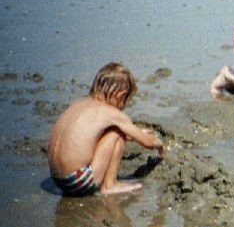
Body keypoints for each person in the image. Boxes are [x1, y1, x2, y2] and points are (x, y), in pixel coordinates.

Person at [48, 62, 165, 196]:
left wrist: (135, 133)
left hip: (57, 179)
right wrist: (159, 143)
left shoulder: (79, 104)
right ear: (121, 96)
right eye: (127, 101)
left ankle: (104, 182)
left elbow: (88, 137)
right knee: (117, 132)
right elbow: (148, 142)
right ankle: (110, 185)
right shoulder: (110, 113)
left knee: (114, 131)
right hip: (78, 181)